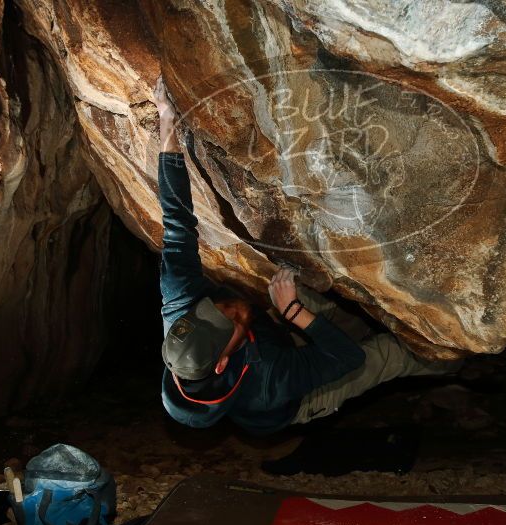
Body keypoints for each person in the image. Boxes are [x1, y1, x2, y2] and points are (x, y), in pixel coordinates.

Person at [154, 76, 461, 435]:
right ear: (222, 363)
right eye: (230, 319)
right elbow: (349, 358)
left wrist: (166, 121)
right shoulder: (271, 385)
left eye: (214, 308)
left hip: (272, 341)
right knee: (389, 355)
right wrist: (293, 312)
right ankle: (457, 364)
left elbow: (177, 223)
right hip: (301, 398)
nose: (232, 306)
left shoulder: (180, 301)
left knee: (317, 294)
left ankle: (351, 318)